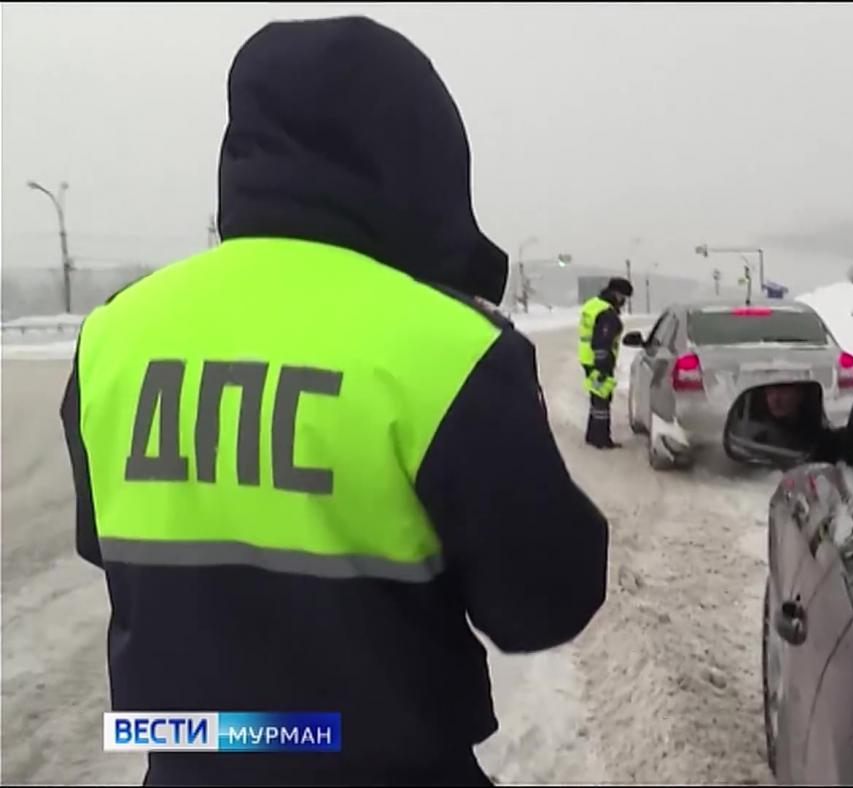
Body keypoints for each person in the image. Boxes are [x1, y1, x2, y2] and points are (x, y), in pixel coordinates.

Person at [60, 17, 608, 786]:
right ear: (421, 157)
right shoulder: (448, 346)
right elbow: (545, 602)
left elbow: (107, 545)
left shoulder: (115, 334)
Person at [578, 278, 633, 449]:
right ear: (617, 294)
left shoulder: (593, 304)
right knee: (602, 399)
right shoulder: (607, 313)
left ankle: (592, 435)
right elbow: (602, 341)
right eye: (623, 297)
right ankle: (601, 439)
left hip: (588, 359)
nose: (624, 301)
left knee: (597, 397)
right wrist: (603, 366)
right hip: (599, 361)